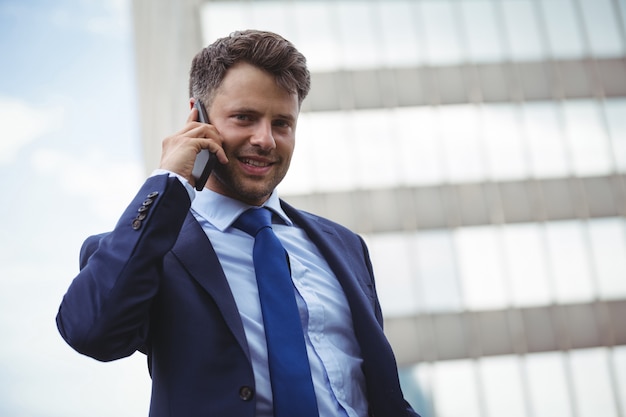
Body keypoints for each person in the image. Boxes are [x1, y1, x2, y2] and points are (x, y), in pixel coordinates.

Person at [56, 29, 420, 417]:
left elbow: (378, 392)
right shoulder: (149, 246)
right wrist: (168, 182)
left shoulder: (345, 246)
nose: (265, 139)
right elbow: (91, 332)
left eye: (282, 123)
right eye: (244, 117)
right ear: (197, 117)